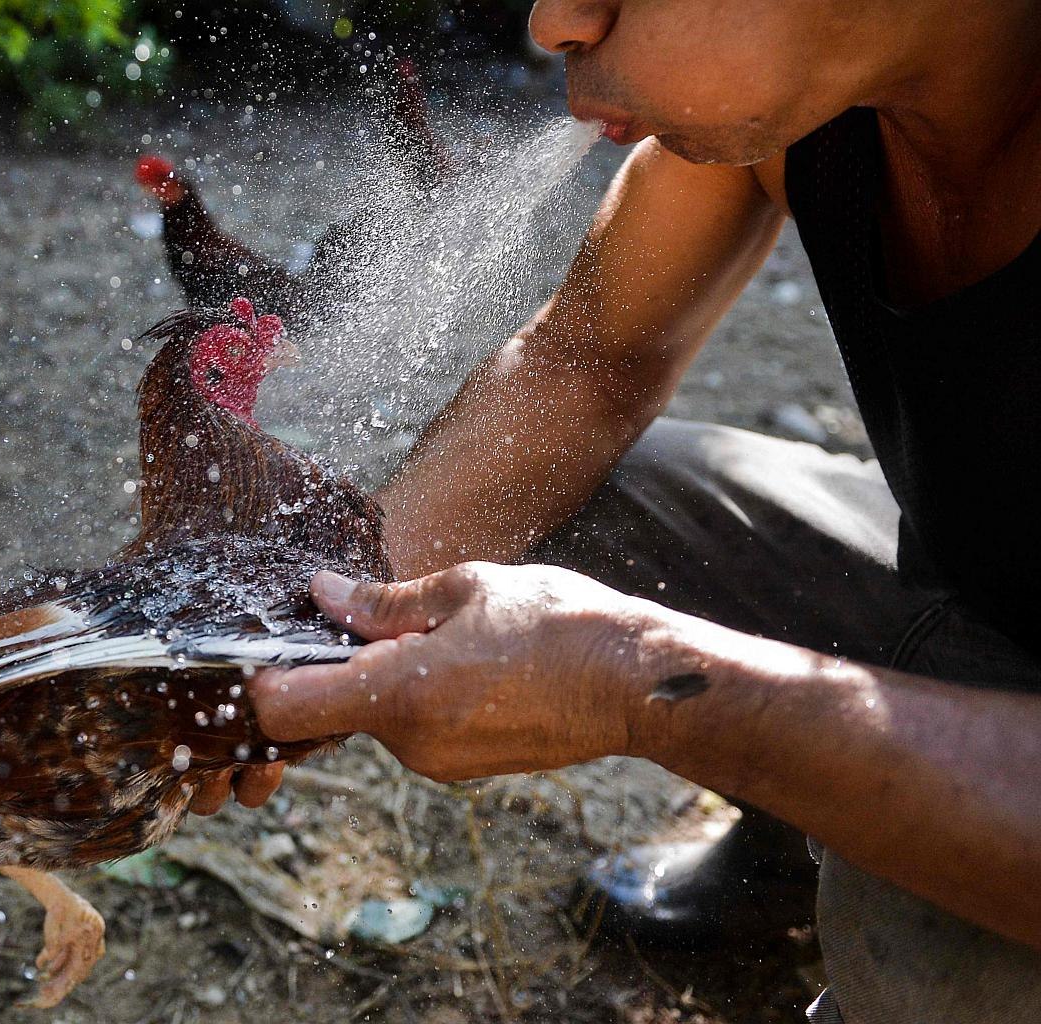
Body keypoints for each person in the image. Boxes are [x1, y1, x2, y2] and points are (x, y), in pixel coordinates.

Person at [197, 1, 1041, 1020]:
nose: (555, 19)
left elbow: (632, 667)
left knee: (933, 941)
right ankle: (804, 842)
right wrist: (304, 629)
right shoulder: (814, 98)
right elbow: (585, 365)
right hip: (981, 599)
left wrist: (637, 679)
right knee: (556, 486)